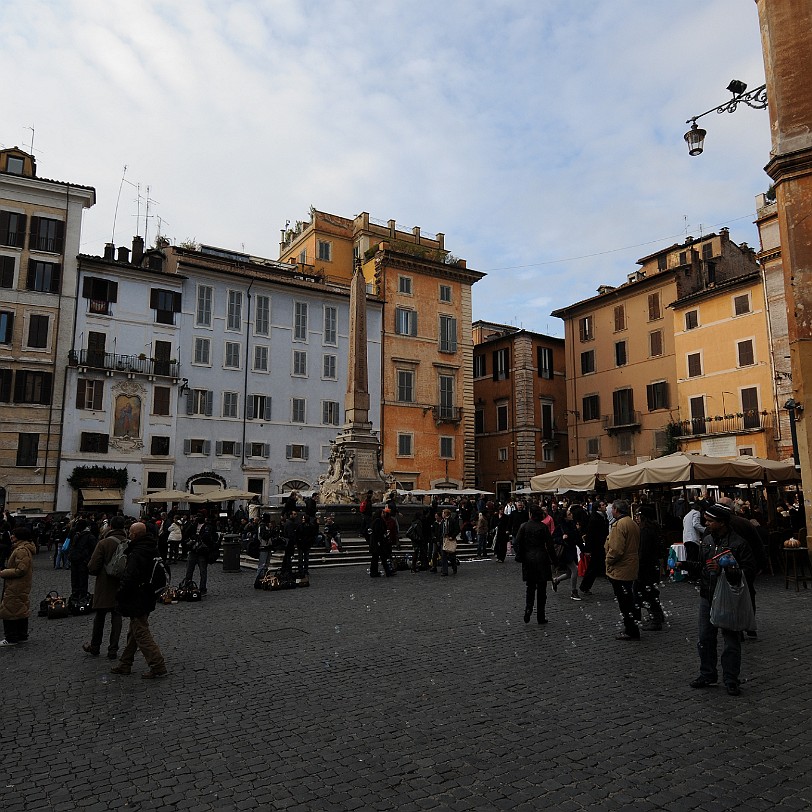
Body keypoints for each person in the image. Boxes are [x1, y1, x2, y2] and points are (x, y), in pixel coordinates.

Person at [687, 503, 756, 696]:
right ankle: (707, 673)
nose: (706, 523)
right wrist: (683, 564)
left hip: (729, 598)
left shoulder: (738, 543)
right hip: (707, 595)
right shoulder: (707, 540)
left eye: (710, 521)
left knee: (730, 640)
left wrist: (726, 570)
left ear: (722, 522)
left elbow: (749, 572)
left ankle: (731, 679)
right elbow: (702, 565)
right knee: (705, 638)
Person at [111, 522, 167, 679]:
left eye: (130, 532)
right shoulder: (151, 547)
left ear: (135, 535)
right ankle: (125, 663)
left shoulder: (138, 552)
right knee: (135, 630)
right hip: (148, 594)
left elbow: (130, 577)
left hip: (138, 597)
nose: (128, 534)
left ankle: (157, 664)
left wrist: (120, 594)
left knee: (141, 631)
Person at [84, 515, 126, 659]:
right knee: (117, 617)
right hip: (122, 584)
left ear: (111, 527)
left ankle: (95, 646)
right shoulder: (129, 542)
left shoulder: (104, 543)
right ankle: (113, 649)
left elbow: (93, 566)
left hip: (105, 583)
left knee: (100, 616)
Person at [514, 506, 558, 624]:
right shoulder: (543, 527)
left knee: (530, 587)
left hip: (529, 560)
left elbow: (516, 543)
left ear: (530, 514)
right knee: (542, 589)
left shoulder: (524, 526)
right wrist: (555, 561)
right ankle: (540, 616)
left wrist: (522, 555)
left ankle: (528, 609)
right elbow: (550, 546)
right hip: (542, 559)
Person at [605, 499, 641, 641]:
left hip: (621, 569)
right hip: (630, 566)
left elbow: (616, 549)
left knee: (625, 602)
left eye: (612, 508)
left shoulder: (619, 525)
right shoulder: (632, 523)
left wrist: (608, 560)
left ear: (616, 509)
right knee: (629, 600)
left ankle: (631, 630)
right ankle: (632, 628)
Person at [0, 527, 36, 646]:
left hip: (16, 585)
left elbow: (21, 569)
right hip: (21, 584)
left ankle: (11, 637)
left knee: (10, 609)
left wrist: (4, 572)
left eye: (13, 535)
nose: (11, 537)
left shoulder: (21, 550)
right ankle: (21, 634)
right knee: (20, 608)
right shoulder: (24, 548)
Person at [635, 506, 666, 631]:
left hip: (646, 567)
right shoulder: (653, 529)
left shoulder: (646, 531)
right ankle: (657, 616)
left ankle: (656, 619)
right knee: (650, 592)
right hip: (652, 566)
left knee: (646, 593)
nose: (636, 518)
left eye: (638, 515)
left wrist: (638, 563)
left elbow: (644, 551)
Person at [552, 507, 585, 601]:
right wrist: (562, 538)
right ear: (565, 517)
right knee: (575, 570)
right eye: (569, 514)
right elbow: (553, 538)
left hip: (572, 550)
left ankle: (556, 580)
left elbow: (578, 539)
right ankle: (574, 592)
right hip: (565, 552)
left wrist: (583, 550)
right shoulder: (560, 527)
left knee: (569, 573)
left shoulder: (573, 525)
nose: (571, 515)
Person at [184, 513, 214, 595]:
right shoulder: (193, 525)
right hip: (193, 550)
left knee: (203, 571)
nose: (198, 518)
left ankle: (203, 588)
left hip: (202, 552)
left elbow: (208, 536)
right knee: (189, 570)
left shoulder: (208, 526)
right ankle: (187, 586)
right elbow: (186, 532)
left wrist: (199, 538)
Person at [69, 518, 97, 598]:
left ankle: (81, 597)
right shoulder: (78, 535)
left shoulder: (88, 537)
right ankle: (76, 596)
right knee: (76, 581)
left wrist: (86, 561)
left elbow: (93, 551)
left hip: (81, 562)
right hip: (76, 561)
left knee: (81, 581)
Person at [439, 508, 460, 577]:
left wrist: (452, 536)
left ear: (446, 514)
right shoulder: (443, 521)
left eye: (443, 513)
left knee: (452, 556)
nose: (442, 515)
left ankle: (454, 567)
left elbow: (457, 529)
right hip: (444, 539)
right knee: (444, 555)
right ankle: (445, 571)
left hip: (450, 539)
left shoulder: (452, 521)